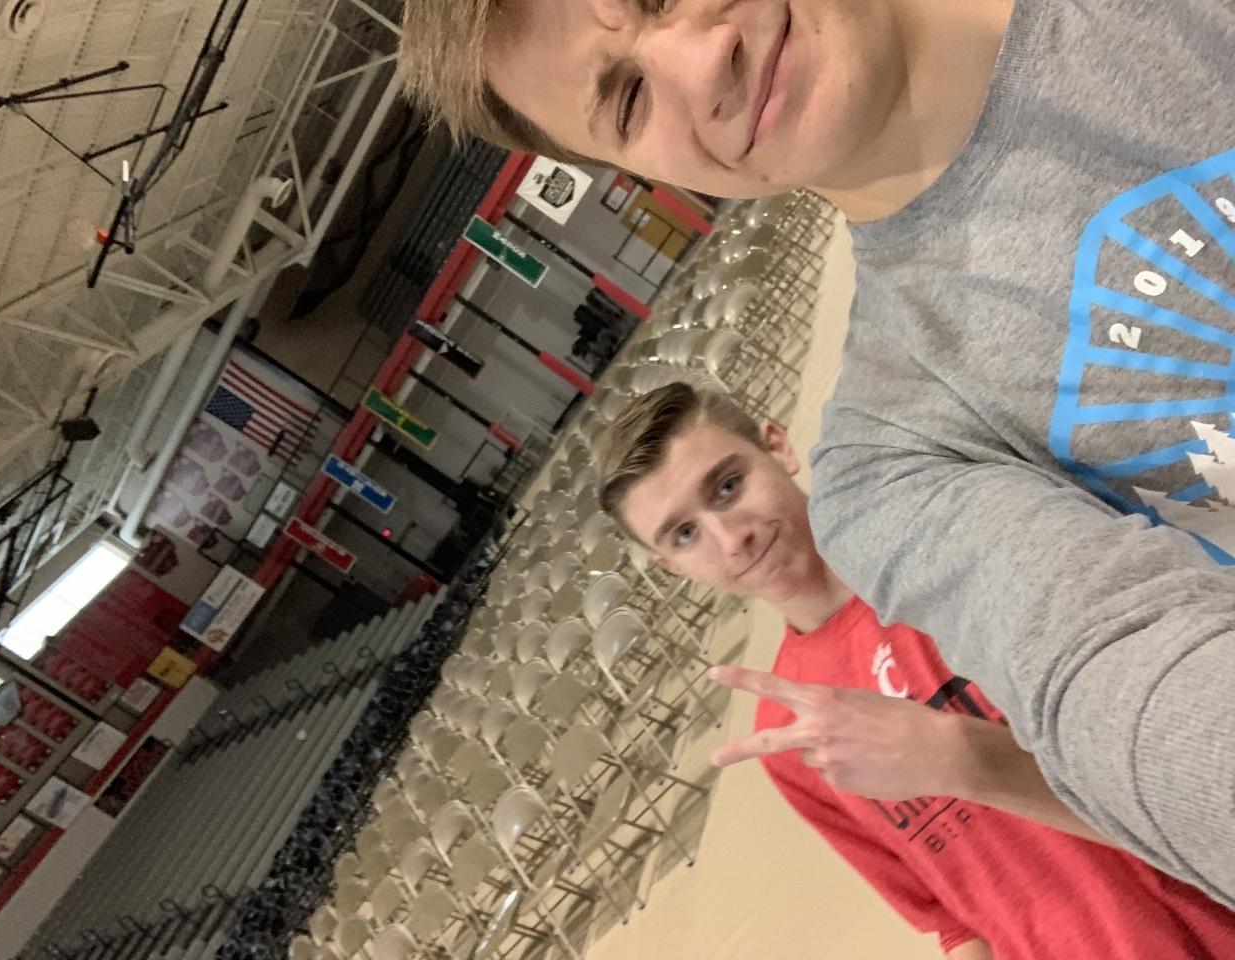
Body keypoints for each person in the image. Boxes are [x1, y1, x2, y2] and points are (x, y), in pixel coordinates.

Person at [399, 0, 1235, 903]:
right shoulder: (896, 468)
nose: (700, 65)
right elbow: (1115, 680)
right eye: (629, 99)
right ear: (632, 172)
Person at [593, 381, 1235, 958]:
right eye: (684, 535)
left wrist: (956, 756)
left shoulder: (957, 556)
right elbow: (953, 916)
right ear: (671, 567)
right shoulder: (789, 732)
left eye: (728, 486)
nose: (731, 538)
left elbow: (1185, 771)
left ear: (778, 448)